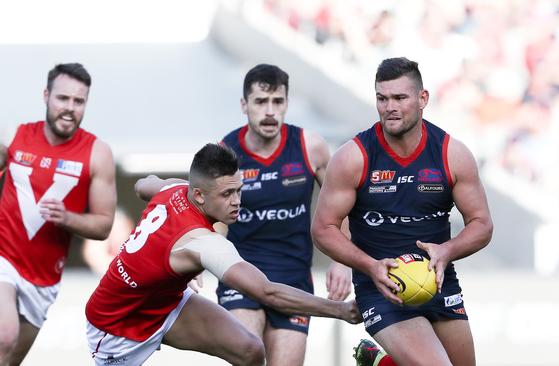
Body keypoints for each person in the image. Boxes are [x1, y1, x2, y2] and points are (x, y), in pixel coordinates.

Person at [84, 143, 361, 366]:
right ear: (200, 196)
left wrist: (167, 270)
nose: (237, 202)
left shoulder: (173, 190)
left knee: (250, 351)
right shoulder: (203, 243)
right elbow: (268, 292)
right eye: (227, 194)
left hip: (166, 302)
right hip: (116, 327)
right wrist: (341, 310)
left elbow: (144, 184)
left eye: (239, 190)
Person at [311, 57, 493, 366]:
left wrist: (447, 251)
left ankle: (382, 364)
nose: (389, 107)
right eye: (382, 98)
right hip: (381, 288)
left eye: (399, 98)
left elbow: (482, 224)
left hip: (438, 282)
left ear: (423, 99)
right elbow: (323, 228)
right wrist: (369, 266)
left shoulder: (452, 154)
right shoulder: (353, 157)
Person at [216, 63, 352, 366]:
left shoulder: (310, 146)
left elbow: (341, 206)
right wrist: (191, 268)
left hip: (293, 279)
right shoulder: (225, 153)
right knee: (249, 353)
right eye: (260, 102)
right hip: (241, 273)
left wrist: (341, 262)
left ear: (287, 104)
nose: (269, 111)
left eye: (277, 102)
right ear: (244, 105)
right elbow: (206, 217)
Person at [0, 63, 117, 365]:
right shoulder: (15, 136)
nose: (70, 108)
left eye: (79, 102)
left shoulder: (97, 153)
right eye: (62, 99)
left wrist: (67, 218)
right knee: (4, 335)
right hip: (4, 259)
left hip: (44, 280)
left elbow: (104, 225)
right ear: (46, 96)